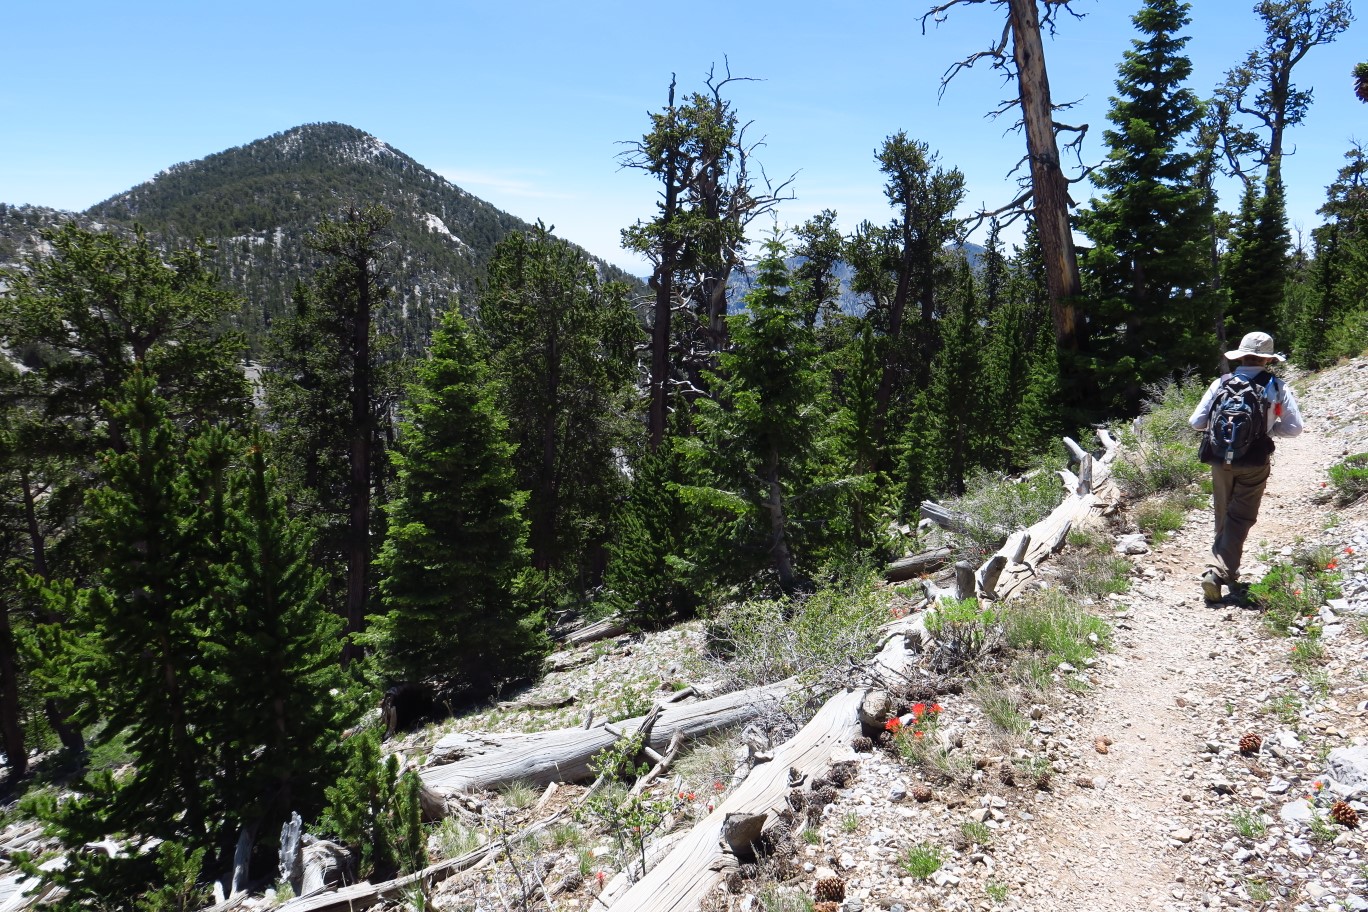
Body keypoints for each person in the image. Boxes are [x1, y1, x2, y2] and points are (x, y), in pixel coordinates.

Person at [1188, 331, 1303, 602]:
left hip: (1219, 460)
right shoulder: (1275, 385)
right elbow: (1295, 428)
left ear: (1240, 355)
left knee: (1223, 514)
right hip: (1254, 460)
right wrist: (1268, 431)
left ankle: (1224, 568)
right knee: (1241, 517)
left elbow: (1196, 422)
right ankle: (1218, 572)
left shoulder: (1222, 382)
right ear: (1267, 359)